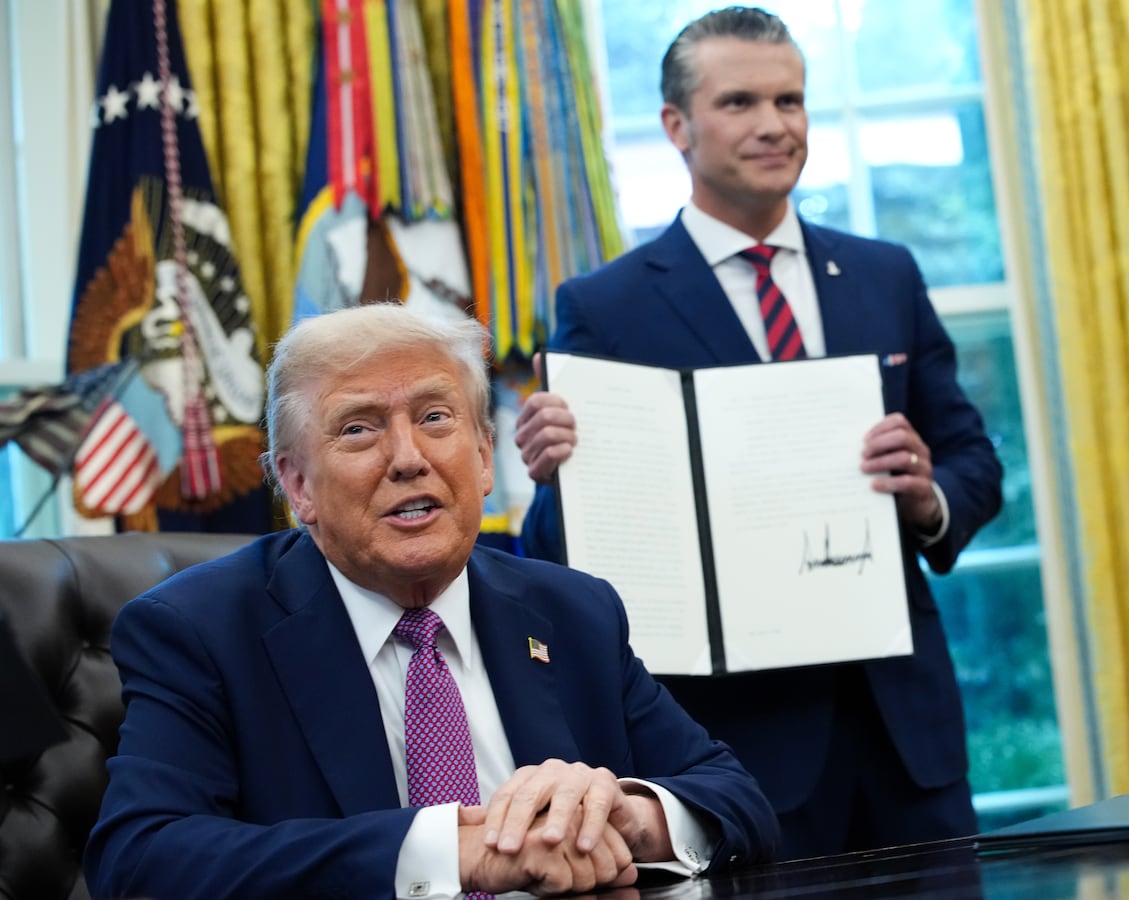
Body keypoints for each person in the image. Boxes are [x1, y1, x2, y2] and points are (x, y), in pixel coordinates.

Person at [513, 6, 1002, 859]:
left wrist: (928, 496)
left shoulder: (885, 275)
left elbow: (975, 464)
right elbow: (566, 559)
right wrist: (556, 478)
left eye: (792, 100)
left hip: (908, 738)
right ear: (676, 125)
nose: (775, 125)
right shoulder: (606, 307)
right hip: (738, 751)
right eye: (740, 102)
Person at [86, 304, 778, 900]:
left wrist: (626, 816)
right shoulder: (200, 631)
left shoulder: (574, 612)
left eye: (435, 417)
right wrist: (448, 851)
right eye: (359, 428)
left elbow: (736, 798)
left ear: (483, 458)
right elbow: (142, 857)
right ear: (297, 486)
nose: (408, 457)